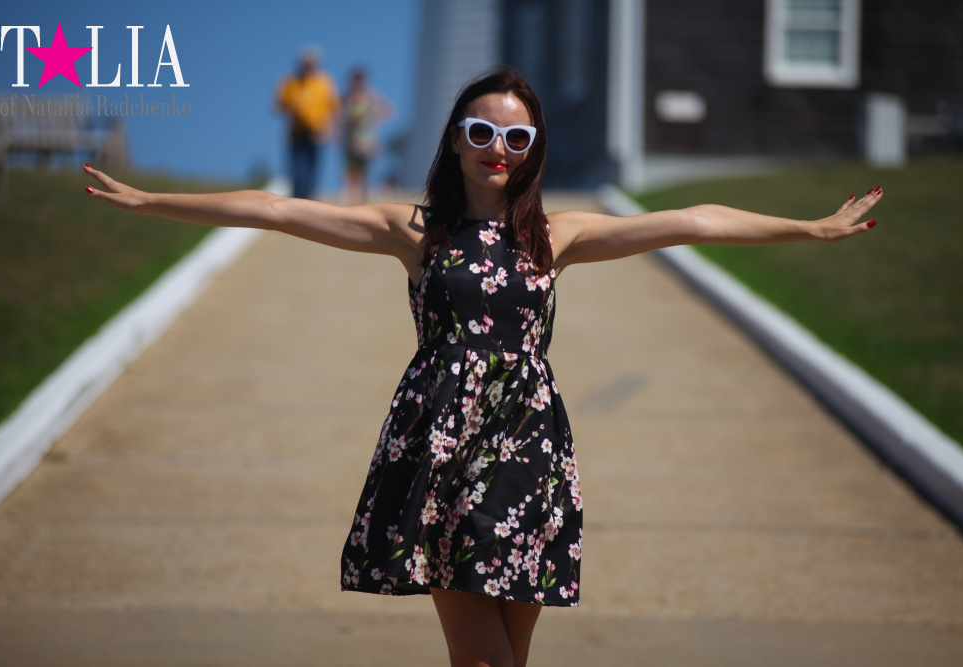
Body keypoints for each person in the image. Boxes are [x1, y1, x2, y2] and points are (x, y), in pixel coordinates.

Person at [82, 68, 881, 667]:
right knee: (481, 658)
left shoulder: (556, 237)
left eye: (517, 138)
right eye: (482, 132)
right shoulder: (415, 231)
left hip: (528, 451)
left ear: (533, 151)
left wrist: (809, 229)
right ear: (456, 139)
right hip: (440, 445)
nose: (498, 149)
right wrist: (153, 203)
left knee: (505, 659)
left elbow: (692, 220)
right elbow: (279, 209)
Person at [275, 47, 341, 199]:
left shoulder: (325, 81)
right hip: (297, 132)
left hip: (318, 132)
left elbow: (335, 107)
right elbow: (278, 104)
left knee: (313, 171)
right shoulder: (289, 81)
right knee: (298, 171)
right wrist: (292, 107)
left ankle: (309, 201)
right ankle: (297, 199)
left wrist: (336, 131)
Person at [342, 67, 393, 204]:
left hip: (368, 140)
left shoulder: (371, 95)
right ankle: (353, 200)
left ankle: (366, 199)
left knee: (367, 171)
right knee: (353, 171)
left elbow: (389, 110)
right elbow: (340, 117)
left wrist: (375, 117)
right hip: (351, 140)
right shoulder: (347, 97)